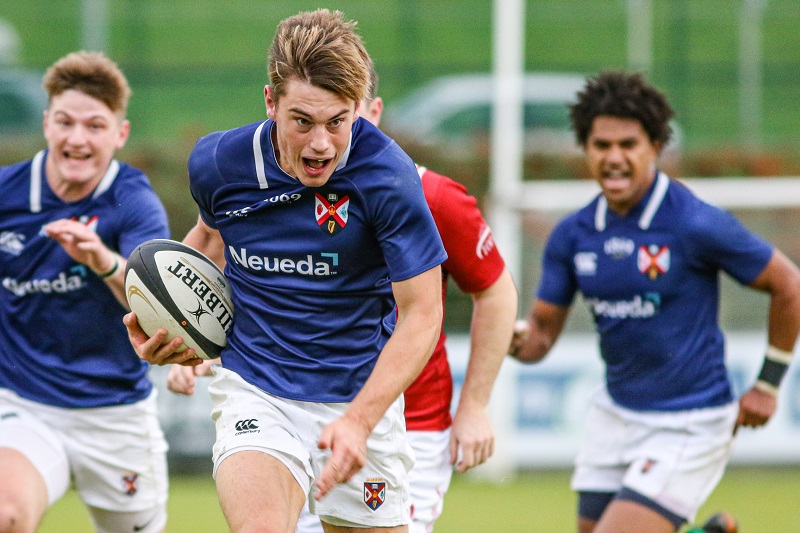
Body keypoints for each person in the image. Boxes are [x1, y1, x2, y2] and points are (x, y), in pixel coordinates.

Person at [125, 9, 446, 533]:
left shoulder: (388, 178)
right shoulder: (220, 164)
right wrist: (169, 323)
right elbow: (207, 241)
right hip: (258, 388)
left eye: (338, 122)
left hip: (358, 398)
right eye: (303, 121)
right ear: (271, 102)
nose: (321, 143)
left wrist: (359, 421)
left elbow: (423, 314)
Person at [509, 70, 800, 533]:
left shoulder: (695, 223)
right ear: (586, 149)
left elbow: (789, 284)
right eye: (602, 146)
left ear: (656, 147)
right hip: (615, 415)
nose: (615, 158)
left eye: (629, 144)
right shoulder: (572, 235)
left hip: (690, 422)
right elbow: (541, 334)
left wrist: (768, 383)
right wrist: (511, 336)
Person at [0, 51, 170, 533]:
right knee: (5, 513)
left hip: (114, 411)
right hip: (24, 403)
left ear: (119, 134)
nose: (77, 139)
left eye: (94, 126)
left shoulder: (133, 201)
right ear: (47, 123)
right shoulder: (7, 194)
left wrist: (104, 262)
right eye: (65, 122)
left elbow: (159, 309)